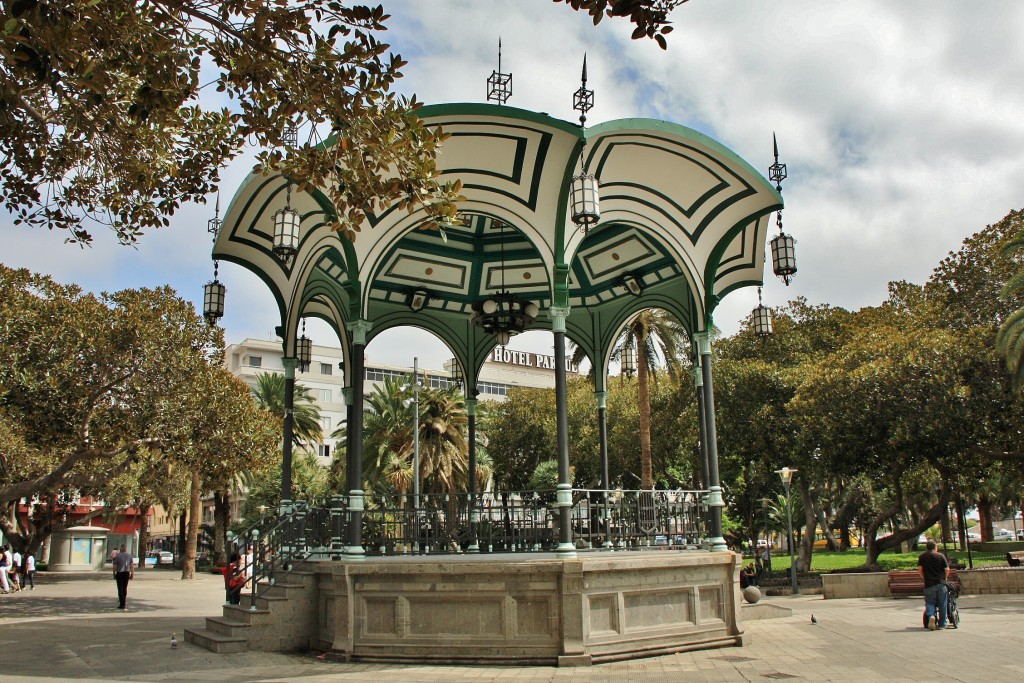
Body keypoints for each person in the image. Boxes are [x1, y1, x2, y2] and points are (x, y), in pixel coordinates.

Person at [917, 540, 950, 630]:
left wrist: (923, 577)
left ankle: (931, 615)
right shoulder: (940, 556)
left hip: (929, 583)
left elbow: (920, 569)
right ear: (935, 547)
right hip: (940, 583)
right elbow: (947, 569)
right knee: (942, 603)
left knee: (930, 602)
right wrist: (945, 578)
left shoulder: (922, 557)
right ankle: (942, 624)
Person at [112, 543, 134, 610]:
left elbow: (114, 566)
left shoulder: (117, 556)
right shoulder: (129, 556)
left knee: (120, 588)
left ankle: (122, 603)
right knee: (124, 588)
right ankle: (123, 601)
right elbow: (132, 566)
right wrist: (132, 574)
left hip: (120, 573)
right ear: (126, 549)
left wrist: (114, 574)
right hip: (126, 573)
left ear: (121, 548)